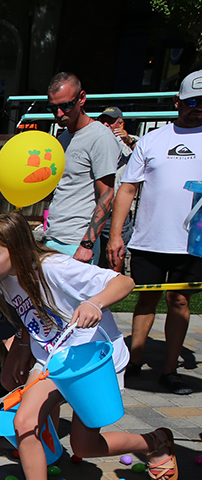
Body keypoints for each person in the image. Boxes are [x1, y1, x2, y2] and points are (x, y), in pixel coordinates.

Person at [0, 212, 179, 480]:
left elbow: (124, 282)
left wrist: (95, 303)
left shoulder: (55, 268)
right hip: (52, 362)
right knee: (24, 422)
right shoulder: (5, 280)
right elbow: (34, 320)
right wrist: (21, 353)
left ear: (15, 249)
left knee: (85, 447)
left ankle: (154, 441)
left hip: (90, 362)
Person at [108, 71, 202, 395]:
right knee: (146, 298)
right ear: (178, 102)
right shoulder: (153, 140)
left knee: (178, 300)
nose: (198, 108)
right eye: (192, 102)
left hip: (191, 241)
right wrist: (116, 235)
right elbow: (127, 189)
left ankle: (170, 368)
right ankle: (134, 360)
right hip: (149, 238)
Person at [43, 72, 119, 261]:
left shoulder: (100, 137)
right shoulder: (62, 139)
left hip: (77, 243)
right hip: (52, 237)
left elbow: (108, 194)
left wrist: (87, 244)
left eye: (66, 105)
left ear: (82, 98)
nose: (59, 113)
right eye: (53, 108)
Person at [94, 106, 136, 270]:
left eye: (111, 122)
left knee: (114, 257)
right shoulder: (96, 140)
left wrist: (130, 141)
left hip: (117, 212)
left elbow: (145, 160)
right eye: (103, 121)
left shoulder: (132, 142)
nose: (106, 125)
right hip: (95, 208)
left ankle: (114, 291)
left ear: (121, 123)